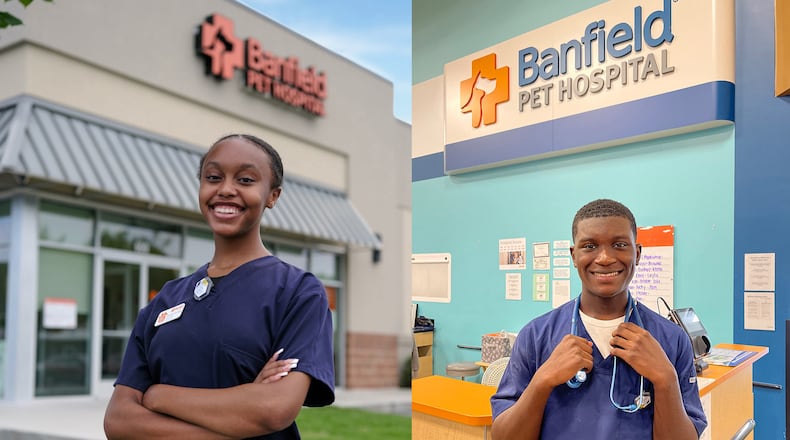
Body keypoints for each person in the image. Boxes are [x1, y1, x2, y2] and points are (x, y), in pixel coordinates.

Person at [104, 134, 335, 439]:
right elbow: (120, 421)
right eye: (213, 177)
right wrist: (242, 410)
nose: (226, 189)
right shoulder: (165, 301)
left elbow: (273, 408)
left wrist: (159, 395)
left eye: (246, 180)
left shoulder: (297, 293)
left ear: (273, 196)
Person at [491, 199, 707, 439]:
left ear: (637, 253)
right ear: (574, 255)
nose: (604, 258)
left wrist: (665, 378)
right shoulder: (536, 336)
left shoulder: (672, 339)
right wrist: (542, 380)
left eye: (619, 244)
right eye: (590, 246)